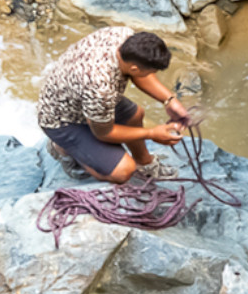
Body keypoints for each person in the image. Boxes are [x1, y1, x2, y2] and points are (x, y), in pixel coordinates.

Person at [37, 27, 190, 183]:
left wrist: (170, 100)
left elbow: (138, 72)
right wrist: (152, 133)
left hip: (79, 97)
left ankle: (145, 164)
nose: (152, 75)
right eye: (151, 72)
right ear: (134, 69)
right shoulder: (100, 87)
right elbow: (104, 133)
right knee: (123, 171)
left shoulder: (122, 35)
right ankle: (63, 148)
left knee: (135, 115)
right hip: (61, 119)